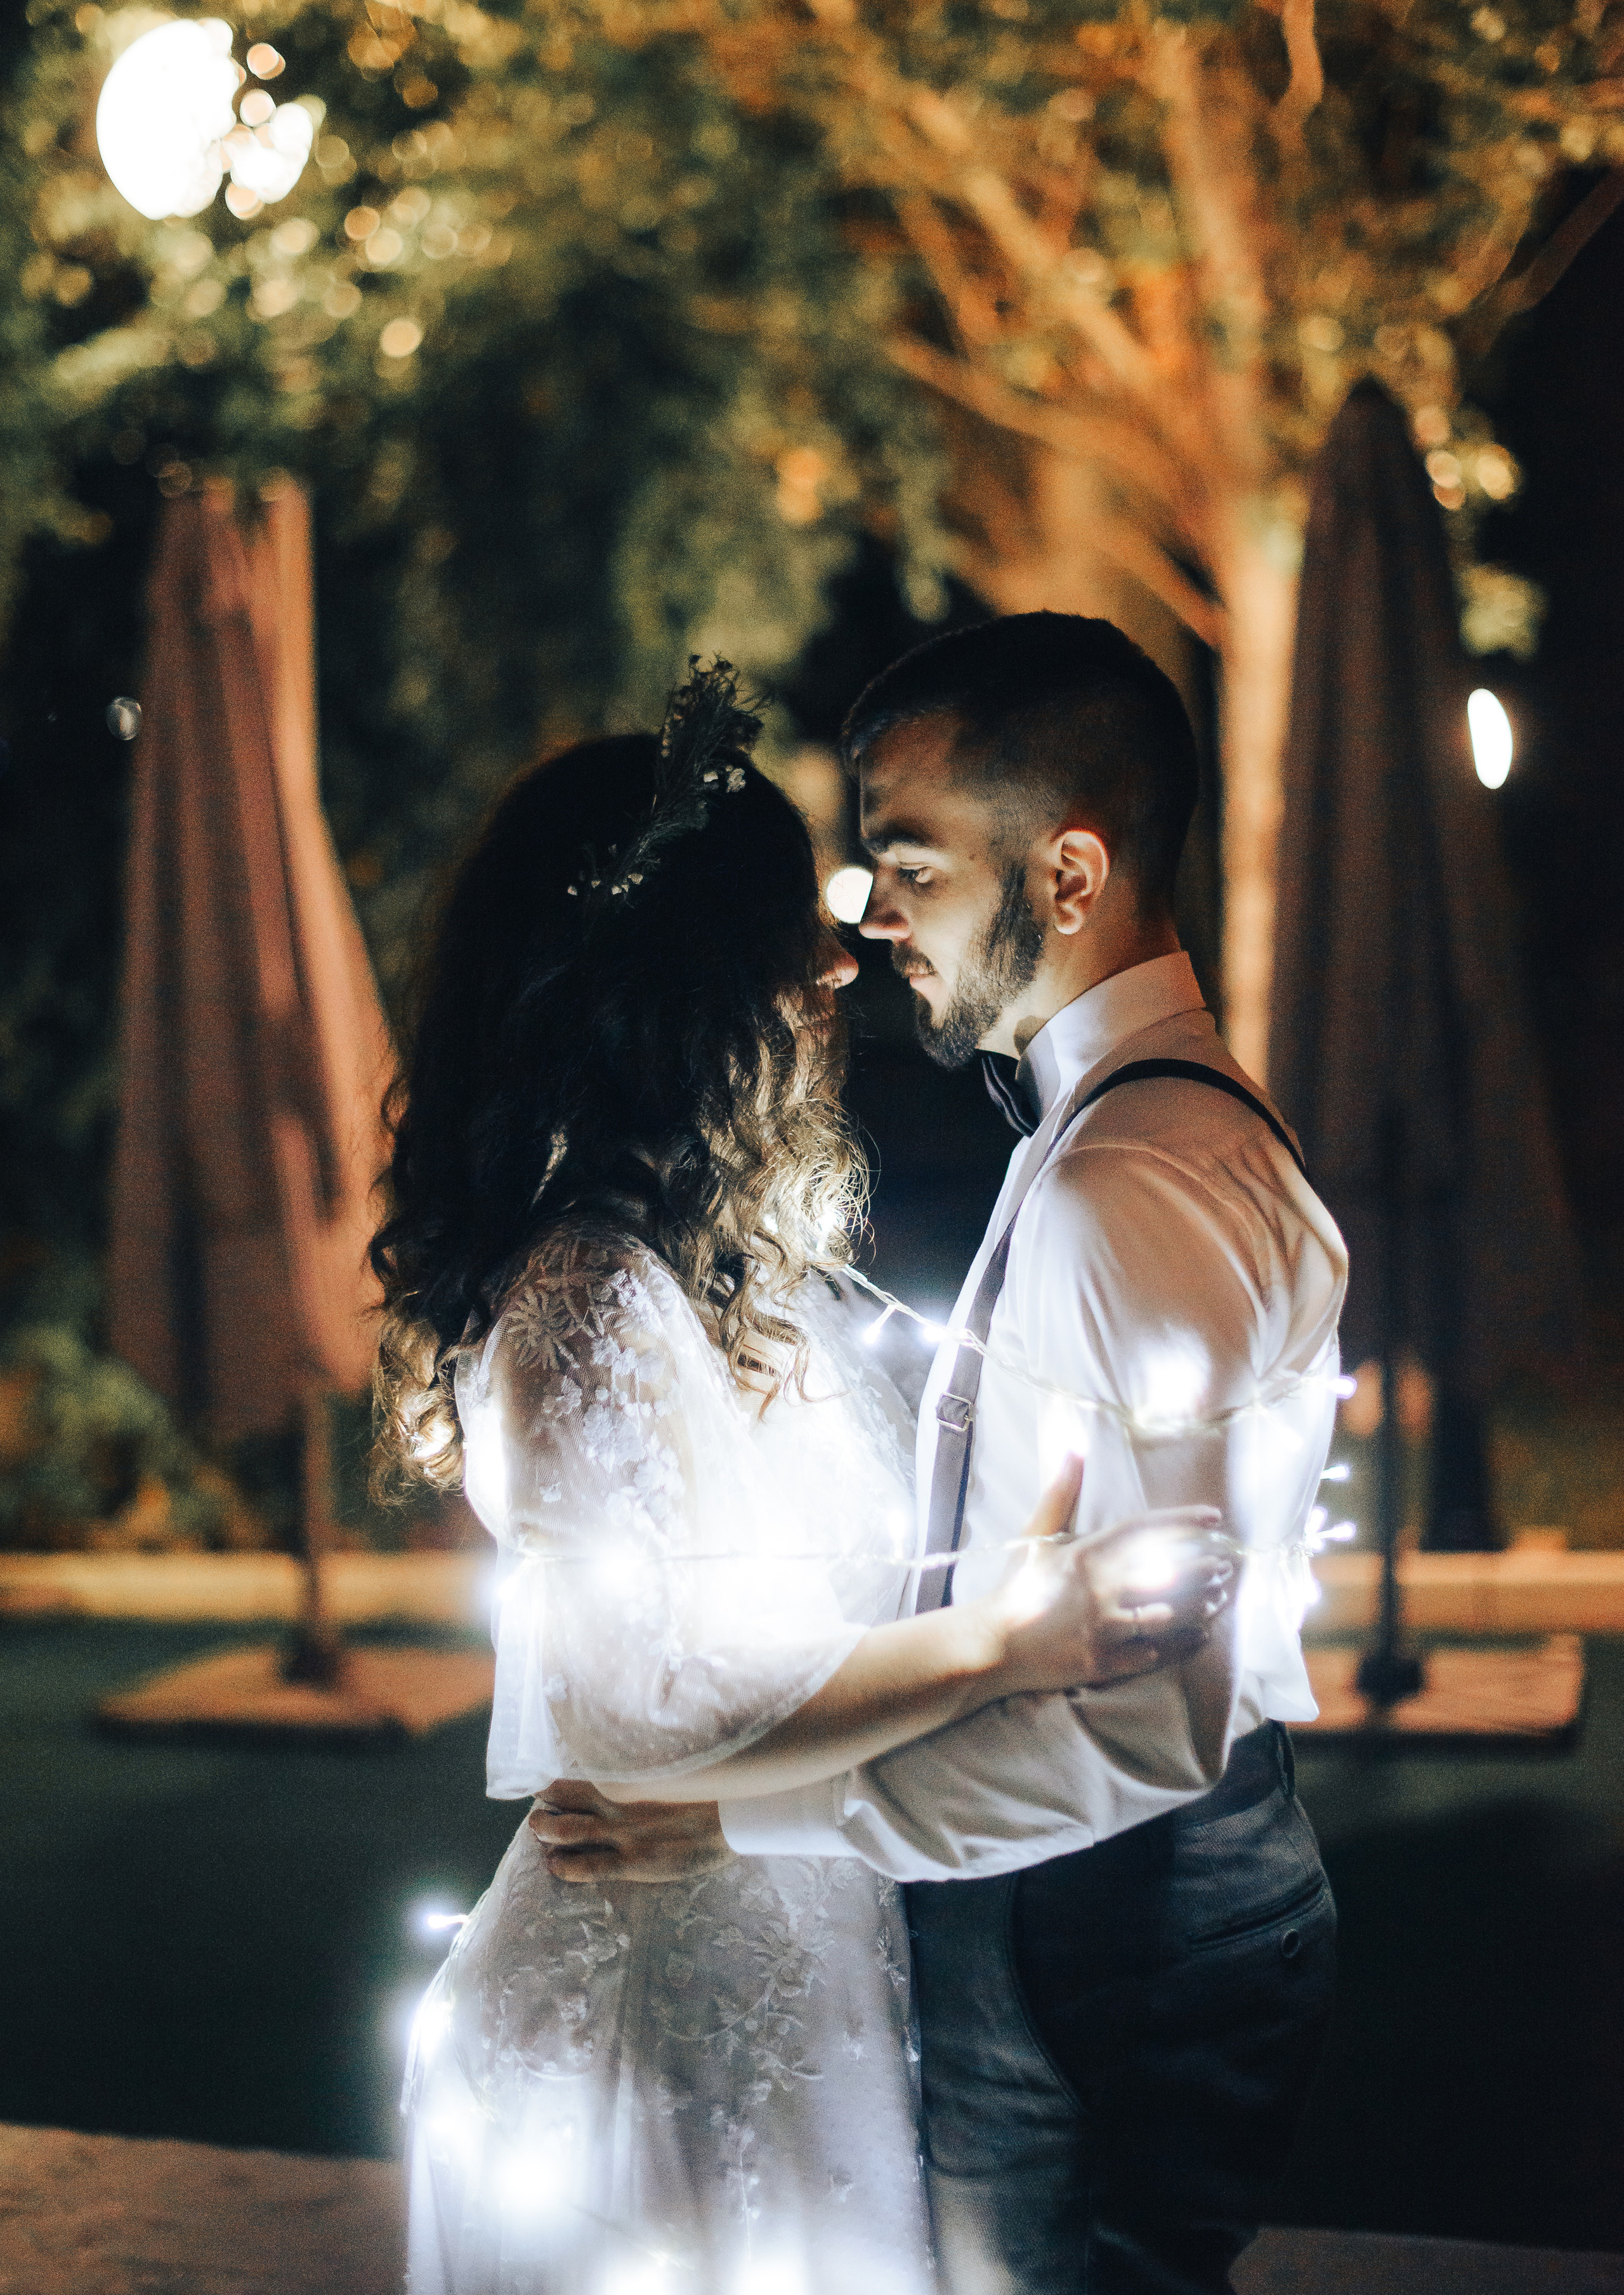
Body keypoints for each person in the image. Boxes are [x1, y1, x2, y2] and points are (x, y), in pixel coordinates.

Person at [370, 661, 1234, 2295]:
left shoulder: (720, 1270)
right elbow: (656, 1719)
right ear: (685, 975)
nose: (839, 956)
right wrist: (1009, 1642)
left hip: (798, 1972)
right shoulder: (581, 1299)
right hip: (656, 2045)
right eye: (797, 921)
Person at [533, 617, 1349, 2295]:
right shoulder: (1140, 1129)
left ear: (1066, 874)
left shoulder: (1132, 1181)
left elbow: (1152, 1726)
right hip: (1102, 1890)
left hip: (1102, 1906)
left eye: (908, 865)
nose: (871, 916)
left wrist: (755, 1813)